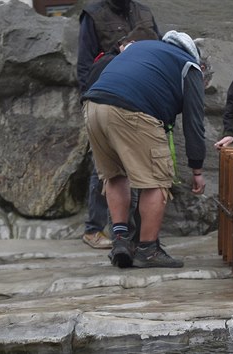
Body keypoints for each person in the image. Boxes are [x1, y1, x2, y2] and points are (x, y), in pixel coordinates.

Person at [82, 31, 206, 268]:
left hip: (93, 108)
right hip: (131, 110)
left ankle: (120, 239)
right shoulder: (188, 66)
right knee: (156, 181)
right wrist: (197, 169)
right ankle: (148, 249)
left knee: (115, 175)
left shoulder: (142, 49)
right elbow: (194, 123)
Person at [77, 0, 161, 249]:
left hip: (141, 98)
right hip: (106, 95)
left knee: (142, 167)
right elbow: (84, 64)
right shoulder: (93, 15)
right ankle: (94, 228)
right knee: (104, 167)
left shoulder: (144, 12)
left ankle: (134, 233)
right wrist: (88, 98)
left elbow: (158, 49)